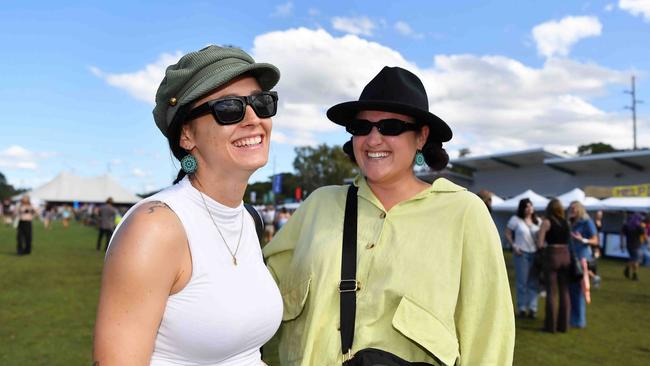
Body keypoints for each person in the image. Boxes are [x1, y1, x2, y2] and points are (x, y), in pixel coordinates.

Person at [264, 66, 515, 365]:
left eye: (391, 127)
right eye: (362, 127)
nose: (373, 139)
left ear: (421, 136)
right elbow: (258, 291)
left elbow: (488, 332)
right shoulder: (319, 204)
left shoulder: (464, 213)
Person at [93, 45, 283, 365]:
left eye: (262, 103)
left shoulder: (249, 219)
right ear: (186, 135)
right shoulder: (156, 228)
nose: (253, 119)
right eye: (229, 108)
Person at [536, 199, 571, 333]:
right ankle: (564, 325)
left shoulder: (547, 222)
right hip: (565, 255)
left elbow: (540, 243)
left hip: (552, 255)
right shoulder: (566, 222)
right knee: (564, 292)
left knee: (551, 292)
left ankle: (550, 326)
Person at [504, 198, 541, 319]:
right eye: (526, 206)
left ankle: (533, 308)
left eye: (530, 206)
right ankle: (522, 308)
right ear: (522, 208)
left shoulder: (538, 221)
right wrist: (514, 246)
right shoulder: (515, 220)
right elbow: (507, 233)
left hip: (535, 253)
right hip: (521, 253)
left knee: (534, 282)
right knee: (522, 282)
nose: (529, 208)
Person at [567, 201, 598, 328]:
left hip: (582, 259)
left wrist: (583, 240)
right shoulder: (571, 222)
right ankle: (572, 318)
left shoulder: (586, 222)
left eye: (574, 208)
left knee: (580, 290)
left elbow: (596, 240)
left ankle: (579, 321)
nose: (572, 210)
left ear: (580, 209)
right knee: (572, 290)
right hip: (572, 259)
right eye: (571, 208)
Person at [621, 212, 645, 281]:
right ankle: (628, 269)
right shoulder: (639, 226)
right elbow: (644, 235)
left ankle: (633, 274)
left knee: (634, 260)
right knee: (635, 260)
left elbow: (622, 233)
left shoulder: (627, 225)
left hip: (629, 245)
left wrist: (622, 243)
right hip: (636, 245)